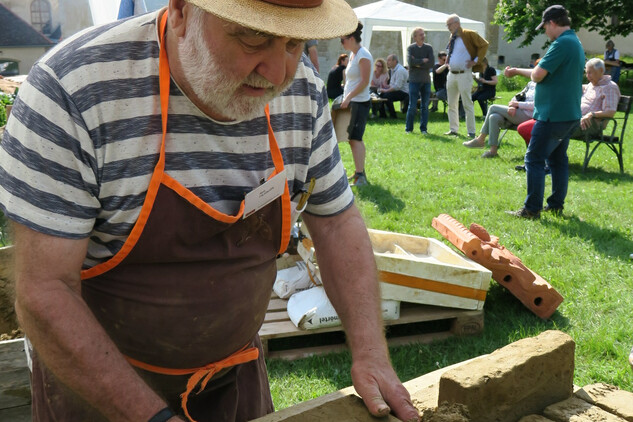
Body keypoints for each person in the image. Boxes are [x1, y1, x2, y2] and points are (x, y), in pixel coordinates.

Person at [0, 1, 420, 421]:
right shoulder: (75, 89)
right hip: (98, 391)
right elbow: (45, 289)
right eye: (254, 37)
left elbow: (336, 224)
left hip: (233, 382)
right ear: (182, 11)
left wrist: (370, 353)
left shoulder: (302, 90)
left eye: (295, 43)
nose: (277, 74)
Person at [504, 4, 584, 219]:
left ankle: (531, 209)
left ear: (552, 23)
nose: (545, 32)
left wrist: (524, 73)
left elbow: (538, 75)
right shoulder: (574, 42)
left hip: (553, 115)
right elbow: (541, 73)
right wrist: (517, 71)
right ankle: (556, 205)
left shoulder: (562, 44)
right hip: (569, 114)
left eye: (545, 27)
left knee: (534, 159)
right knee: (558, 160)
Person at [514, 58, 620, 168]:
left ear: (601, 71)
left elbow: (610, 112)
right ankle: (535, 162)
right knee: (536, 126)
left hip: (590, 124)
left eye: (590, 72)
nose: (588, 76)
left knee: (549, 128)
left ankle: (540, 163)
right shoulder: (591, 85)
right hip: (574, 119)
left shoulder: (610, 87)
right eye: (586, 72)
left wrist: (591, 114)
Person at [463, 81, 536, 158]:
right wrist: (513, 106)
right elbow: (517, 97)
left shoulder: (543, 86)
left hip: (529, 117)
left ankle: (481, 139)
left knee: (493, 107)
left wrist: (518, 104)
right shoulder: (531, 83)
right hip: (517, 113)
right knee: (494, 117)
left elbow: (536, 105)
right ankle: (493, 151)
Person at [444, 13, 489, 138]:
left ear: (457, 24)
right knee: (451, 103)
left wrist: (475, 60)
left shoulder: (469, 34)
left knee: (467, 103)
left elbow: (484, 44)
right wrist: (448, 61)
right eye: (447, 25)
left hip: (464, 74)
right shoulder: (452, 37)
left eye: (449, 24)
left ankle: (471, 132)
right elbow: (451, 52)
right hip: (452, 74)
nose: (448, 27)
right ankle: (453, 129)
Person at [342, 23, 373, 188]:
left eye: (343, 40)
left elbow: (364, 81)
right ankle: (358, 171)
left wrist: (348, 97)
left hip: (360, 102)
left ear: (351, 38)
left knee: (356, 138)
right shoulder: (353, 55)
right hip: (353, 101)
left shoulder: (363, 55)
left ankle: (361, 175)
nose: (342, 43)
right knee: (352, 138)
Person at [405, 27, 434, 135]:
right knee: (412, 105)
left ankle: (423, 129)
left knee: (425, 106)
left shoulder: (429, 48)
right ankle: (409, 129)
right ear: (415, 37)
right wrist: (423, 60)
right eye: (420, 34)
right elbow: (410, 62)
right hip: (414, 80)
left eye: (423, 34)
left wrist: (417, 63)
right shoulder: (411, 48)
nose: (423, 36)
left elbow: (431, 63)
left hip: (426, 80)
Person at [379, 54, 409, 119]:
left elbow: (398, 86)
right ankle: (382, 115)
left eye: (389, 60)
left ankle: (393, 115)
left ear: (395, 61)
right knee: (380, 95)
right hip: (397, 90)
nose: (387, 62)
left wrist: (386, 90)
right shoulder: (392, 70)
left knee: (387, 96)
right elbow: (393, 84)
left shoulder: (400, 70)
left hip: (404, 92)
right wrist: (386, 86)